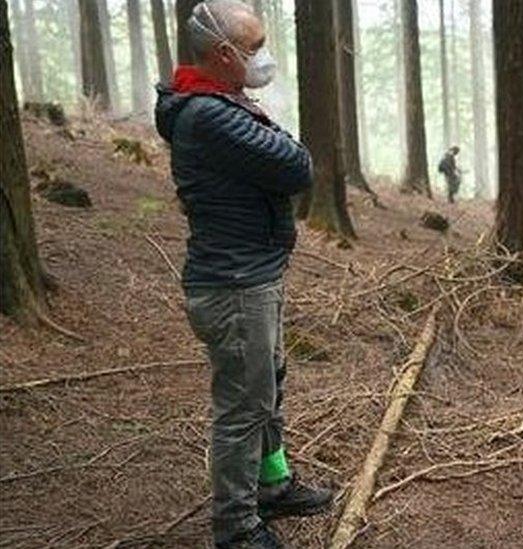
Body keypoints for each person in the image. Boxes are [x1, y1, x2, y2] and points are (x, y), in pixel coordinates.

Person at [154, 2, 333, 547]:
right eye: (254, 48)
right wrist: (283, 138)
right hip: (233, 285)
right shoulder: (209, 115)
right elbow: (298, 166)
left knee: (267, 388)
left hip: (252, 274)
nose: (263, 57)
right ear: (222, 55)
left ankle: (273, 484)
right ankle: (235, 526)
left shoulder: (220, 103)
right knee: (243, 407)